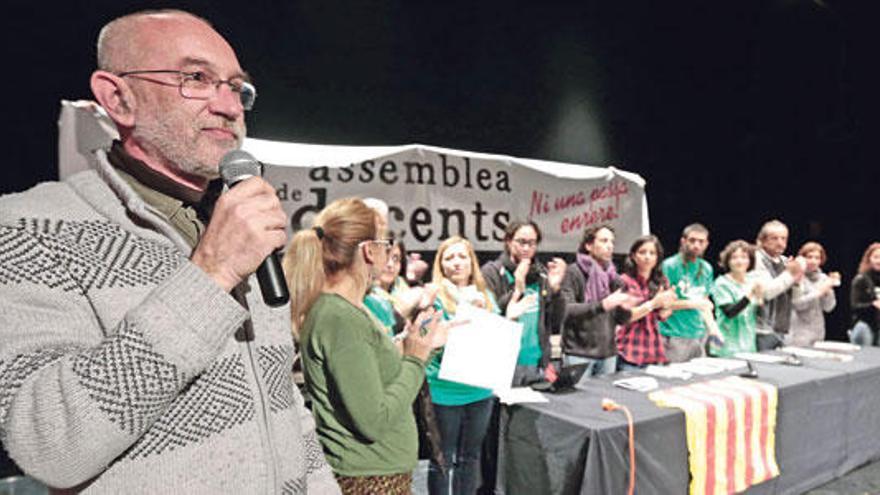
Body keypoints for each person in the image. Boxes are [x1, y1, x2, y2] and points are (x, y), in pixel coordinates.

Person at [0, 10, 339, 493]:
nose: (229, 106)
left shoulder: (238, 225)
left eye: (237, 87)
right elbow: (49, 444)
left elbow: (282, 404)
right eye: (196, 79)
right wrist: (212, 274)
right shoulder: (30, 226)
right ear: (118, 98)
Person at [285, 197, 447, 494]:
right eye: (385, 243)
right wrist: (415, 359)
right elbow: (374, 420)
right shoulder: (339, 318)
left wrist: (417, 343)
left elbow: (370, 374)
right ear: (369, 251)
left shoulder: (348, 309)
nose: (389, 251)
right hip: (369, 482)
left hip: (377, 476)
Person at [426, 236, 503, 495]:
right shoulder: (434, 297)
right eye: (449, 257)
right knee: (442, 460)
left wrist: (486, 316)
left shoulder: (487, 296)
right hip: (445, 391)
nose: (457, 263)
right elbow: (428, 341)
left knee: (470, 458)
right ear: (441, 265)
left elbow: (496, 339)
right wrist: (467, 313)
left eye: (462, 256)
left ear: (472, 262)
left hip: (480, 390)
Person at [481, 220, 566, 385]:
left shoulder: (541, 274)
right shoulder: (492, 272)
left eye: (532, 243)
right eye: (521, 242)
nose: (526, 248)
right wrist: (517, 288)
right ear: (508, 241)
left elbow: (556, 320)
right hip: (505, 361)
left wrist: (556, 290)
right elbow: (490, 316)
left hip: (536, 361)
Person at [560, 225, 635, 377]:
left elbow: (621, 319)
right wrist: (603, 305)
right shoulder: (574, 272)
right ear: (588, 245)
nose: (610, 246)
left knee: (605, 400)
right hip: (579, 354)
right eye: (604, 241)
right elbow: (567, 310)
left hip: (607, 353)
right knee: (579, 400)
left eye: (612, 242)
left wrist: (625, 309)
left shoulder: (613, 277)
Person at [659, 223, 719, 362]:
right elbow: (663, 304)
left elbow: (704, 304)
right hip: (674, 334)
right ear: (683, 241)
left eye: (701, 241)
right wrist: (693, 303)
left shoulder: (706, 268)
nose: (696, 245)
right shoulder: (670, 265)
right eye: (692, 240)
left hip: (698, 334)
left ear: (706, 244)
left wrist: (713, 329)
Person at [615, 235, 676, 371]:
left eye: (652, 253)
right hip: (629, 351)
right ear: (633, 256)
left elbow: (663, 316)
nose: (647, 257)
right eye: (642, 252)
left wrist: (667, 305)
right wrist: (653, 303)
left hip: (652, 350)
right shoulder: (624, 281)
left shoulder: (661, 281)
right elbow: (625, 317)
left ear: (657, 258)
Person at [753, 220, 804, 350]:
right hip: (761, 330)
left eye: (783, 238)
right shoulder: (756, 259)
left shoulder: (785, 261)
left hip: (782, 328)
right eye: (774, 238)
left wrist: (797, 282)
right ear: (763, 240)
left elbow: (797, 299)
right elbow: (766, 293)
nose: (780, 242)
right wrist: (790, 274)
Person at [709, 241, 764, 357]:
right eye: (734, 258)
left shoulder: (752, 281)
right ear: (728, 262)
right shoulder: (721, 283)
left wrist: (760, 299)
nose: (739, 261)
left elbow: (759, 316)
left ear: (750, 261)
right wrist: (750, 294)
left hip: (748, 345)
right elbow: (730, 312)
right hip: (725, 347)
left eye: (744, 257)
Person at [788, 242, 839, 346]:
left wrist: (828, 291)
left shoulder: (823, 278)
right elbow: (798, 305)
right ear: (802, 258)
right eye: (809, 257)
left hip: (818, 331)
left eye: (817, 258)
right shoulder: (797, 277)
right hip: (799, 332)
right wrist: (819, 292)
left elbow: (829, 307)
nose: (813, 261)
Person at [849, 243, 880, 346]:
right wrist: (873, 305)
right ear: (869, 259)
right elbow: (855, 306)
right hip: (866, 325)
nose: (879, 261)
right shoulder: (861, 279)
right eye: (876, 257)